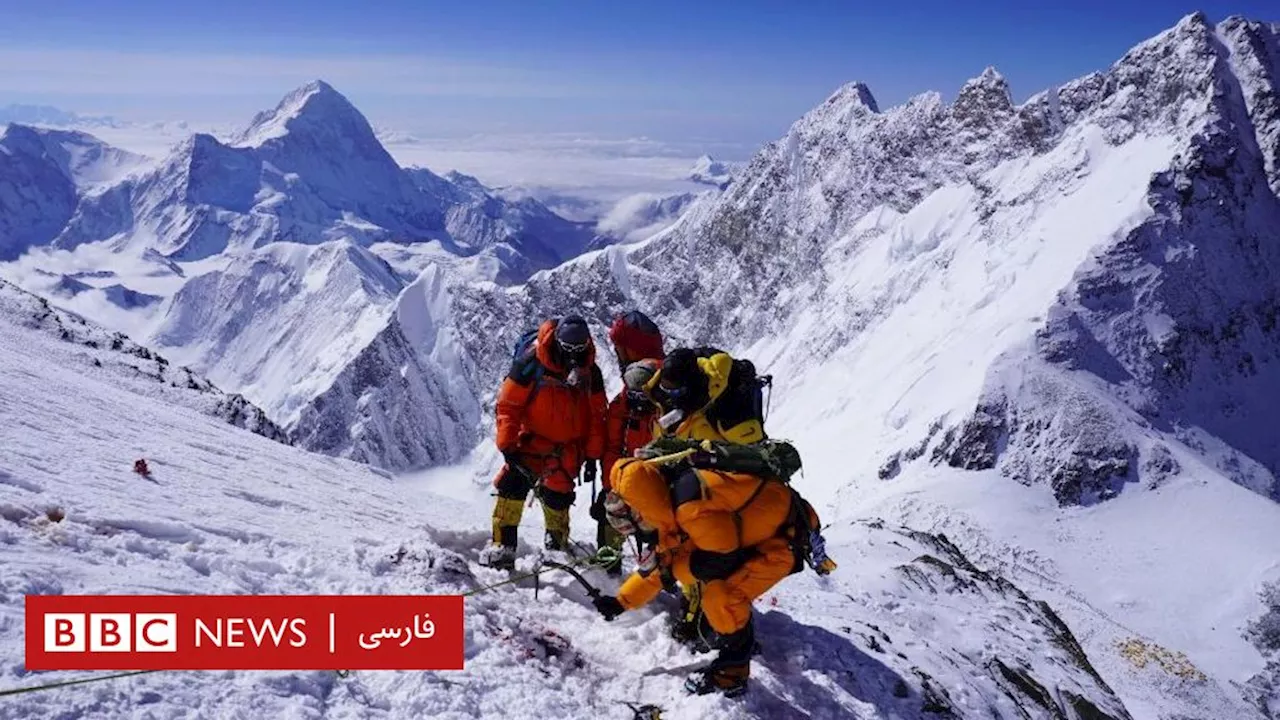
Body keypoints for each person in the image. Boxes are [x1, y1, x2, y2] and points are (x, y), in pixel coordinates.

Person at [589, 455, 826, 698]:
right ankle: (737, 636)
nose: (637, 535)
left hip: (784, 541)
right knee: (712, 587)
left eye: (631, 529)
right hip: (755, 535)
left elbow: (720, 560)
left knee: (721, 596)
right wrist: (621, 602)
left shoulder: (690, 509)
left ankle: (732, 674)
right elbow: (662, 567)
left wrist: (673, 572)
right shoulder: (664, 502)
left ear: (640, 513)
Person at [479, 315, 607, 570]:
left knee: (558, 496)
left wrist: (593, 455)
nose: (573, 356)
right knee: (512, 486)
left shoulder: (590, 372)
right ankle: (503, 545)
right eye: (568, 349)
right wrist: (507, 444)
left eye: (578, 350)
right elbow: (509, 406)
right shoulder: (531, 363)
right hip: (531, 442)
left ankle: (555, 548)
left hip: (567, 448)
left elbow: (596, 415)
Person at [593, 311, 665, 575]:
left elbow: (615, 443)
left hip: (644, 487)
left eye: (619, 348)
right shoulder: (661, 385)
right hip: (652, 488)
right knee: (662, 547)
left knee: (613, 524)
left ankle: (608, 574)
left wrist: (610, 487)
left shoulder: (641, 392)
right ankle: (663, 584)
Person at [645, 347, 765, 445]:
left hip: (716, 470)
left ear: (691, 386)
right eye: (665, 389)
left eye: (676, 392)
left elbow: (752, 452)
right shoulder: (658, 395)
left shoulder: (729, 403)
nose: (669, 397)